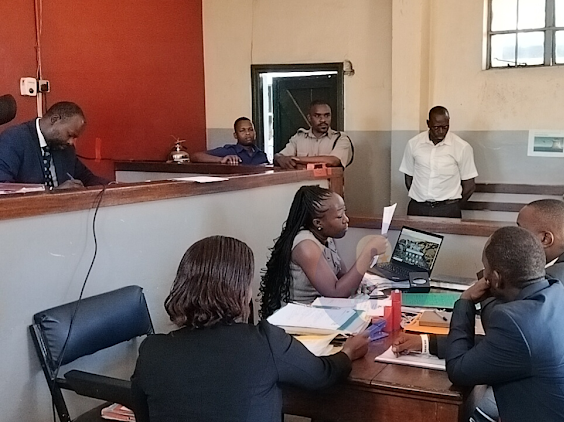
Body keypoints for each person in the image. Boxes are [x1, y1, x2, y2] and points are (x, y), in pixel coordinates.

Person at [394, 200, 564, 421]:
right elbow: (511, 346)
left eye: (520, 229)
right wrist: (428, 343)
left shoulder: (559, 283)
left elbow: (468, 364)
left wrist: (468, 300)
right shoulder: (556, 287)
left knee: (475, 407)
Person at [131, 235, 368, 422]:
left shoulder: (152, 350)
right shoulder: (265, 342)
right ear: (242, 292)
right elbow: (322, 375)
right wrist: (347, 352)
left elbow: (144, 414)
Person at [443, 227, 564, 421]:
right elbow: (503, 347)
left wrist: (465, 302)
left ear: (496, 278)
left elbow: (459, 370)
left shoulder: (517, 321)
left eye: (485, 269)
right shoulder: (556, 293)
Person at [259, 185, 385, 318]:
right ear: (318, 223)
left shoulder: (326, 239)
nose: (346, 219)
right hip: (298, 319)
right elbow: (335, 292)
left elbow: (341, 278)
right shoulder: (306, 246)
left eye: (345, 213)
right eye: (339, 216)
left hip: (321, 312)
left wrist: (361, 285)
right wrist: (367, 253)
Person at [0, 101, 109, 189]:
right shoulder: (13, 139)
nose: (71, 142)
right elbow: (4, 189)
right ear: (54, 120)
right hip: (27, 214)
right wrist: (54, 193)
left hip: (63, 213)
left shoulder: (65, 148)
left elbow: (86, 177)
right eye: (69, 134)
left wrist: (113, 186)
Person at [399, 106, 478, 218]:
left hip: (448, 209)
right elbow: (408, 178)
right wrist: (421, 198)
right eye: (436, 127)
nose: (441, 131)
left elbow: (469, 186)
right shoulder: (413, 144)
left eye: (445, 127)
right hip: (418, 208)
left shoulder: (462, 147)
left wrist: (453, 205)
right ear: (428, 124)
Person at [273, 101, 353, 169]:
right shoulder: (299, 138)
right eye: (317, 116)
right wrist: (279, 158)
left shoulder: (341, 138)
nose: (323, 120)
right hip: (302, 184)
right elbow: (280, 155)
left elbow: (333, 161)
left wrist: (295, 159)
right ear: (309, 118)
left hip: (329, 186)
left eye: (327, 115)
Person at [191, 117, 269, 166]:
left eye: (250, 130)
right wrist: (221, 160)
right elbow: (195, 156)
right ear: (235, 135)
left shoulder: (261, 154)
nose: (248, 133)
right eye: (242, 130)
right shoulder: (229, 151)